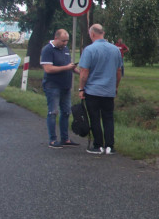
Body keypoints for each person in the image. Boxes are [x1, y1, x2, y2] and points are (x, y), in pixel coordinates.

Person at [77, 23, 123, 155]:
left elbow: (84, 72)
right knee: (108, 117)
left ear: (92, 34)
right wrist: (115, 87)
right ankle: (110, 146)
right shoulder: (115, 50)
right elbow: (118, 71)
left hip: (93, 90)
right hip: (109, 90)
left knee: (95, 117)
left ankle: (98, 145)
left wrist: (81, 88)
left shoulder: (89, 50)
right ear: (103, 33)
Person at [41, 29, 79, 148]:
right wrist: (66, 68)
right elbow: (48, 69)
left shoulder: (66, 49)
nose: (65, 43)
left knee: (66, 112)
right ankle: (53, 140)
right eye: (63, 41)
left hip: (65, 85)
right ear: (56, 38)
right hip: (53, 86)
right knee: (53, 112)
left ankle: (65, 138)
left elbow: (69, 66)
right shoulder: (47, 49)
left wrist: (80, 72)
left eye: (67, 41)